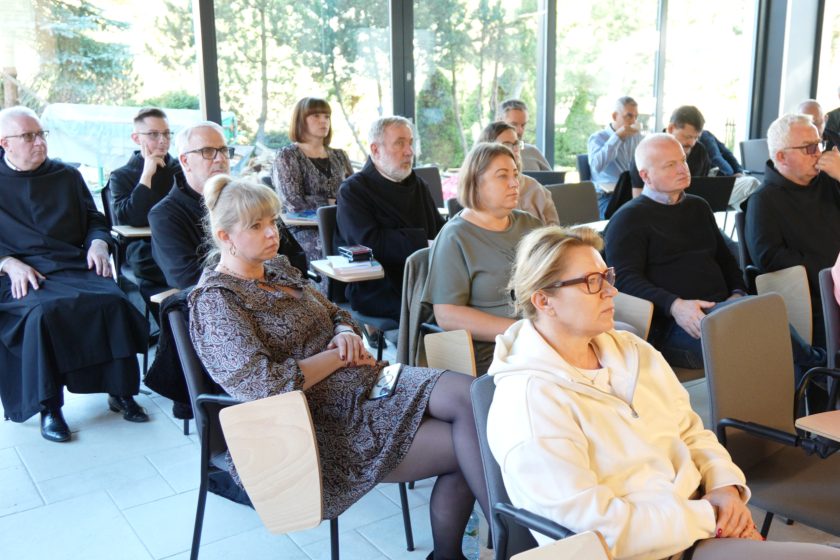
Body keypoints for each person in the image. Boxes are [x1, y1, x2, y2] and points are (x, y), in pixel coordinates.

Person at [487, 225, 840, 560]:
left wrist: (724, 486)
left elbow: (691, 431)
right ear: (544, 301)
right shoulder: (528, 401)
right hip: (647, 549)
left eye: (606, 276)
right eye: (593, 282)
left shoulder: (631, 351)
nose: (613, 292)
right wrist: (709, 516)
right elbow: (591, 528)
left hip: (696, 528)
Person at [188, 175, 489, 560]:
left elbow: (336, 310)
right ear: (224, 235)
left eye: (272, 221)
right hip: (323, 420)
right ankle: (488, 543)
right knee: (474, 442)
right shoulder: (216, 301)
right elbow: (264, 387)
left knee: (475, 395)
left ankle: (497, 537)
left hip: (368, 382)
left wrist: (345, 331)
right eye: (257, 226)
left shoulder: (277, 268)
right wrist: (337, 356)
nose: (271, 233)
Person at [606, 134, 824, 378]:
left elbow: (726, 260)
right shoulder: (628, 219)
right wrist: (674, 305)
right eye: (671, 165)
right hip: (676, 327)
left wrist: (737, 293)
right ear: (645, 175)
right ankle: (818, 368)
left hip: (726, 310)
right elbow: (623, 280)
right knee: (763, 330)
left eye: (683, 161)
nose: (683, 169)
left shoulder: (698, 206)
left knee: (766, 321)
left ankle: (809, 379)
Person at [0, 106, 149, 442]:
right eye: (28, 136)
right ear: (5, 143)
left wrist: (98, 243)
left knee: (112, 300)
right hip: (23, 274)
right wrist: (7, 263)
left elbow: (95, 220)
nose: (39, 142)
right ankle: (49, 407)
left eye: (41, 134)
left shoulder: (66, 175)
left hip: (72, 264)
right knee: (41, 314)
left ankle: (121, 391)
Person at [423, 142, 544, 374]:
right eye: (502, 176)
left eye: (515, 175)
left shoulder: (530, 224)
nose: (514, 183)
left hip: (541, 334)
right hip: (493, 348)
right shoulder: (455, 237)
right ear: (476, 182)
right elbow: (447, 314)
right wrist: (521, 329)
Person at [149, 121, 306, 290]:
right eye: (207, 151)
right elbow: (188, 279)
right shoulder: (165, 215)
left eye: (224, 150)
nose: (221, 158)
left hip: (284, 295)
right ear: (185, 161)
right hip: (223, 305)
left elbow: (296, 258)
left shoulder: (250, 199)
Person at [745, 113, 840, 348]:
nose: (818, 152)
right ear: (781, 156)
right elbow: (769, 258)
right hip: (813, 295)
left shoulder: (831, 181)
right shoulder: (764, 200)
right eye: (809, 148)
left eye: (820, 143)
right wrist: (829, 270)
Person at [336, 116, 444, 321]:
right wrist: (424, 243)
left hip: (426, 277)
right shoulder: (353, 190)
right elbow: (368, 243)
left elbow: (439, 228)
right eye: (400, 143)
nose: (409, 151)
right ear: (376, 150)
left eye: (410, 143)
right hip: (379, 285)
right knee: (436, 312)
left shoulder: (418, 185)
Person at [271, 97, 353, 265]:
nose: (323, 121)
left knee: (369, 246)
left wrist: (332, 202)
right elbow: (293, 202)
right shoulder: (288, 155)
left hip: (343, 224)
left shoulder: (340, 155)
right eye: (316, 116)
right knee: (331, 252)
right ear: (301, 120)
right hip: (305, 229)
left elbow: (354, 193)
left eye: (327, 116)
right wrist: (332, 201)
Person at [630, 106, 759, 208]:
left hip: (691, 208)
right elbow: (638, 198)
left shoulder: (700, 150)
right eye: (688, 136)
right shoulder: (647, 152)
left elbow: (700, 190)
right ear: (670, 128)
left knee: (751, 186)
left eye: (696, 137)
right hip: (659, 210)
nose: (692, 143)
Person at [109, 107, 180, 286]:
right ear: (136, 138)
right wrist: (146, 175)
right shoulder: (121, 175)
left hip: (181, 240)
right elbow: (131, 218)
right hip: (145, 246)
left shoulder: (181, 170)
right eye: (153, 135)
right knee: (145, 262)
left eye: (166, 134)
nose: (163, 141)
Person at [453, 122, 559, 224]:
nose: (515, 150)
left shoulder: (536, 188)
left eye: (516, 144)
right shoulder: (461, 227)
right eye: (506, 145)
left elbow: (554, 233)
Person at [587, 96, 643, 217]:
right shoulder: (597, 138)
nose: (633, 121)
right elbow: (597, 167)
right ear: (614, 116)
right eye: (628, 116)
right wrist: (617, 137)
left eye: (635, 116)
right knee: (631, 216)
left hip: (631, 193)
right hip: (606, 197)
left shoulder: (636, 137)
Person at [497, 99, 551, 171]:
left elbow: (554, 181)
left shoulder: (533, 152)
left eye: (523, 125)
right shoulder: (485, 155)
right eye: (514, 124)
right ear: (499, 122)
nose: (520, 131)